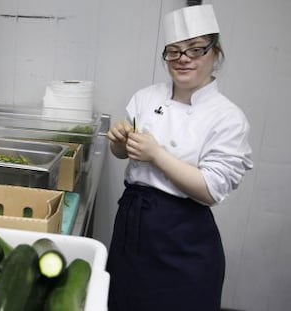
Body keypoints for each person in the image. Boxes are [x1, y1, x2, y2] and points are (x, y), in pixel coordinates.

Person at [106, 4, 253, 311]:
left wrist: (157, 154)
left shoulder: (227, 117)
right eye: (173, 51)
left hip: (183, 235)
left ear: (215, 53)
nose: (183, 59)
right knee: (122, 301)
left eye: (195, 50)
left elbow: (211, 190)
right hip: (132, 224)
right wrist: (120, 143)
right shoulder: (145, 97)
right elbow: (123, 155)